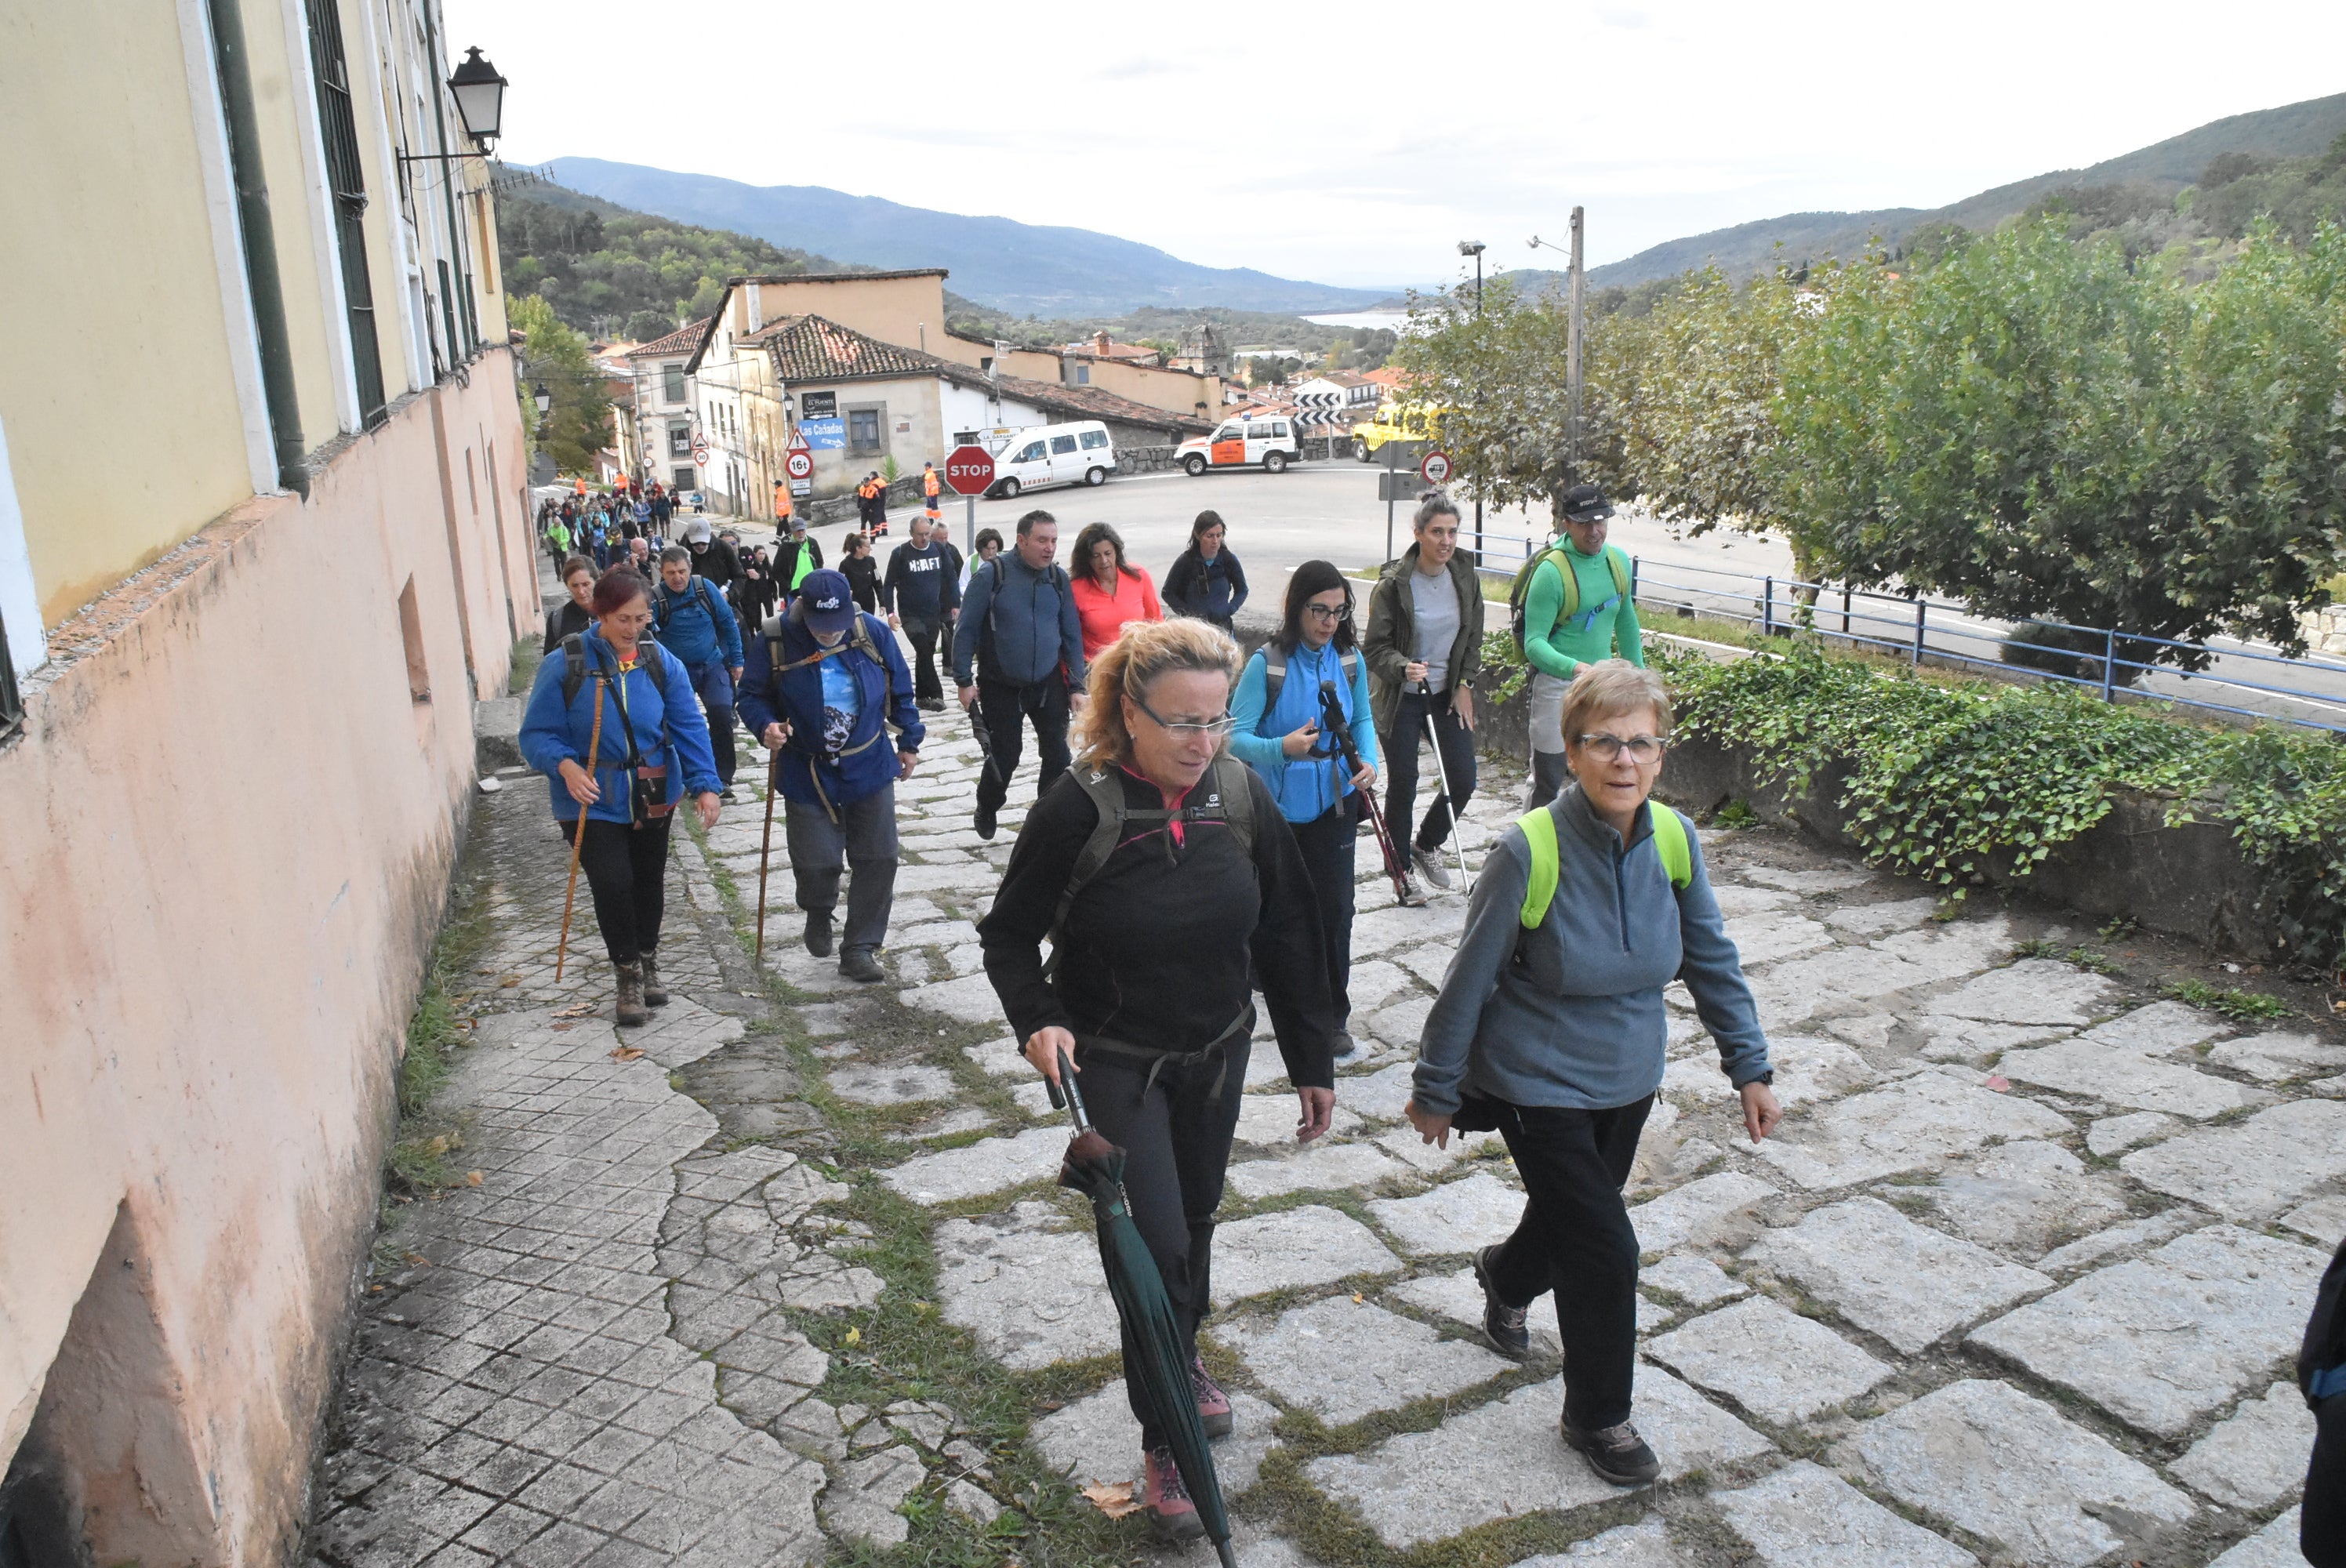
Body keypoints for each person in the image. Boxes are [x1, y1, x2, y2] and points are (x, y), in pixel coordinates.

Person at [980, 618, 1335, 1541]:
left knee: (1198, 1221)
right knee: (1156, 1248)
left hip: (1216, 1050)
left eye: (1216, 720)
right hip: (1115, 1057)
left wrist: (1312, 1059)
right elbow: (1008, 935)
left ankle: (1180, 1353)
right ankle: (1166, 1432)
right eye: (1180, 721)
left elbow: (1290, 927)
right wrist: (1036, 1017)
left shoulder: (1240, 792)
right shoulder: (1077, 807)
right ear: (1129, 712)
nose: (1201, 741)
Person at [1406, 660, 1778, 1487]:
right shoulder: (1527, 850)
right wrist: (1435, 1086)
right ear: (1570, 751)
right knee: (1606, 1246)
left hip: (1628, 1078)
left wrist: (1748, 1067)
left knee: (1573, 1219)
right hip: (1534, 1082)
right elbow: (1468, 979)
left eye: (1641, 743)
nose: (1624, 760)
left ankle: (1505, 1275)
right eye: (1603, 742)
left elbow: (1711, 957)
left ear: (1661, 754)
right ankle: (1598, 1416)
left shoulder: (1674, 839)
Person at [520, 567, 723, 1025]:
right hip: (590, 797)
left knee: (649, 880)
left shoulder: (658, 660)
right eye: (623, 620)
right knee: (613, 883)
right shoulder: (567, 663)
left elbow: (688, 724)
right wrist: (565, 765)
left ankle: (648, 960)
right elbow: (535, 735)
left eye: (641, 618)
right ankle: (626, 973)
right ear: (601, 615)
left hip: (653, 789)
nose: (633, 629)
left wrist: (705, 785)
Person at [736, 568, 924, 983]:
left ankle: (860, 947)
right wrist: (765, 726)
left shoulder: (871, 631)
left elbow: (901, 688)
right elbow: (750, 695)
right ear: (801, 609)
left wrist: (909, 741)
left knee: (879, 858)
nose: (829, 633)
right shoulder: (774, 639)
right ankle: (819, 909)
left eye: (836, 624)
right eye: (821, 625)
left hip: (868, 763)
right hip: (806, 769)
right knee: (816, 862)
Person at [1229, 561, 1378, 1058]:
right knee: (1277, 910)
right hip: (1275, 811)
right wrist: (1282, 749)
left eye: (1339, 611)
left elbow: (1363, 720)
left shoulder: (1350, 660)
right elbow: (1234, 737)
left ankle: (1333, 1016)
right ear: (1298, 608)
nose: (1330, 622)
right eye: (1320, 610)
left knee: (1337, 910)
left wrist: (1370, 762)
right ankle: (1263, 977)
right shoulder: (1267, 665)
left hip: (1335, 803)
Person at [1364, 492, 1484, 903]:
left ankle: (1427, 843)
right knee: (1405, 782)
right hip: (1401, 695)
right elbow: (1375, 649)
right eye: (1436, 532)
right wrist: (1403, 667)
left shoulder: (1465, 577)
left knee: (1463, 778)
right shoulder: (1393, 585)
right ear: (1418, 534)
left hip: (1444, 695)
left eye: (1452, 532)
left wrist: (1465, 684)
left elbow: (1473, 638)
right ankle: (1400, 872)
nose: (1446, 541)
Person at [953, 510, 1087, 841]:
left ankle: (1044, 818)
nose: (1049, 547)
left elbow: (1071, 634)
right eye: (1042, 540)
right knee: (1005, 756)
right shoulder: (992, 575)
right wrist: (963, 681)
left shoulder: (1058, 579)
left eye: (1053, 541)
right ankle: (988, 805)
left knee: (1058, 754)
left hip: (1047, 681)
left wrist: (1077, 685)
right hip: (1001, 684)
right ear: (1021, 540)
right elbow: (966, 629)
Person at [1520, 484, 1644, 809]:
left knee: (1601, 775)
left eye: (1601, 521)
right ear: (1567, 524)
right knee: (1548, 779)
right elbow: (1534, 643)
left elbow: (1626, 621)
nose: (1594, 531)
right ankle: (1532, 839)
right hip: (1556, 686)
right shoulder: (1551, 573)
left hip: (1600, 687)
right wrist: (1575, 668)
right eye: (1585, 523)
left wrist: (1641, 679)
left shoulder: (1617, 561)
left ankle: (1590, 838)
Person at [652, 546, 746, 799]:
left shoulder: (705, 589)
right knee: (676, 723)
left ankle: (722, 777)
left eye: (682, 571)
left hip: (711, 664)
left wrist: (737, 660)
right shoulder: (656, 598)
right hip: (676, 673)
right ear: (661, 572)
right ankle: (685, 777)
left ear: (690, 568)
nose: (677, 577)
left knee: (721, 713)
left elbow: (728, 624)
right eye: (671, 573)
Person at [882, 516, 962, 711]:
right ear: (911, 534)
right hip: (910, 614)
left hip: (933, 613)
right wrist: (891, 613)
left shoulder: (938, 550)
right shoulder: (901, 553)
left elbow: (951, 577)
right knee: (923, 650)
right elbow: (888, 584)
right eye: (920, 535)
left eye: (927, 534)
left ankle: (921, 697)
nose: (924, 538)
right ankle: (937, 694)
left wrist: (955, 604)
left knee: (925, 653)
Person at [1069, 521, 1164, 661]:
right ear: (1087, 559)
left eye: (1108, 553)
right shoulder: (1075, 589)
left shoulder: (1139, 575)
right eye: (1096, 556)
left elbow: (1155, 621)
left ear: (1117, 552)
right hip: (1095, 666)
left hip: (1137, 661)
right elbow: (1070, 637)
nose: (1104, 561)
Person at [1160, 511, 1249, 632]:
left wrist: (1230, 609)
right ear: (1198, 535)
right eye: (1209, 536)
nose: (1215, 541)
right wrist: (1188, 614)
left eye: (1219, 535)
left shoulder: (1228, 560)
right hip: (1194, 631)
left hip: (1223, 628)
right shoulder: (1186, 561)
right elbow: (1168, 593)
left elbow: (1242, 590)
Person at [543, 555, 597, 653]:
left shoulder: (613, 613)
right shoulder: (557, 620)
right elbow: (550, 659)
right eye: (575, 586)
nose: (581, 591)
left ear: (595, 581)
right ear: (567, 586)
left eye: (586, 584)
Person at [775, 519, 824, 603]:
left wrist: (817, 579)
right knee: (795, 612)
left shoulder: (812, 543)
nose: (801, 533)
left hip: (811, 588)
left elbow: (820, 562)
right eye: (798, 531)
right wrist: (787, 585)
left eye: (802, 530)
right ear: (792, 531)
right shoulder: (785, 546)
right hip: (793, 592)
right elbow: (776, 570)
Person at [841, 532, 881, 612]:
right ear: (858, 548)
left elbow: (878, 582)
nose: (870, 549)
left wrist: (882, 602)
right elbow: (840, 585)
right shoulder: (845, 564)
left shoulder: (871, 561)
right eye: (868, 546)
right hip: (853, 606)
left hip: (869, 604)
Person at [958, 528, 1002, 597]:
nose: (991, 552)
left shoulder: (1003, 560)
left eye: (993, 548)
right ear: (981, 548)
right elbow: (962, 585)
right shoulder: (971, 561)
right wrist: (972, 594)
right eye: (987, 549)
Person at [921, 459, 942, 528]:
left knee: (934, 508)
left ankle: (939, 520)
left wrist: (933, 493)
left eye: (926, 466)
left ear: (928, 467)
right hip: (929, 494)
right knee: (929, 508)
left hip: (932, 494)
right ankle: (930, 520)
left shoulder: (931, 475)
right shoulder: (928, 474)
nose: (925, 467)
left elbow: (934, 484)